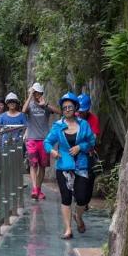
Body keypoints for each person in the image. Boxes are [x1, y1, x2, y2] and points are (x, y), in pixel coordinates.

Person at [44, 92, 97, 240]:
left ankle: (78, 217)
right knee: (66, 198)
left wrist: (80, 147)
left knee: (81, 199)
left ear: (75, 108)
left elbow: (91, 141)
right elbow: (47, 142)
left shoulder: (83, 125)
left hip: (81, 165)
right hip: (63, 166)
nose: (67, 109)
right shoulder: (57, 126)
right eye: (65, 107)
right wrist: (52, 151)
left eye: (70, 107)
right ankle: (68, 229)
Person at [23, 82, 60, 200]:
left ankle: (38, 190)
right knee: (33, 164)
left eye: (38, 93)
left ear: (41, 93)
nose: (36, 95)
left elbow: (60, 112)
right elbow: (23, 110)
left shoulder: (45, 106)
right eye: (34, 93)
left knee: (42, 166)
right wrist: (30, 96)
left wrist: (46, 104)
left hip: (44, 140)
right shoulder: (30, 105)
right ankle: (34, 188)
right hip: (32, 139)